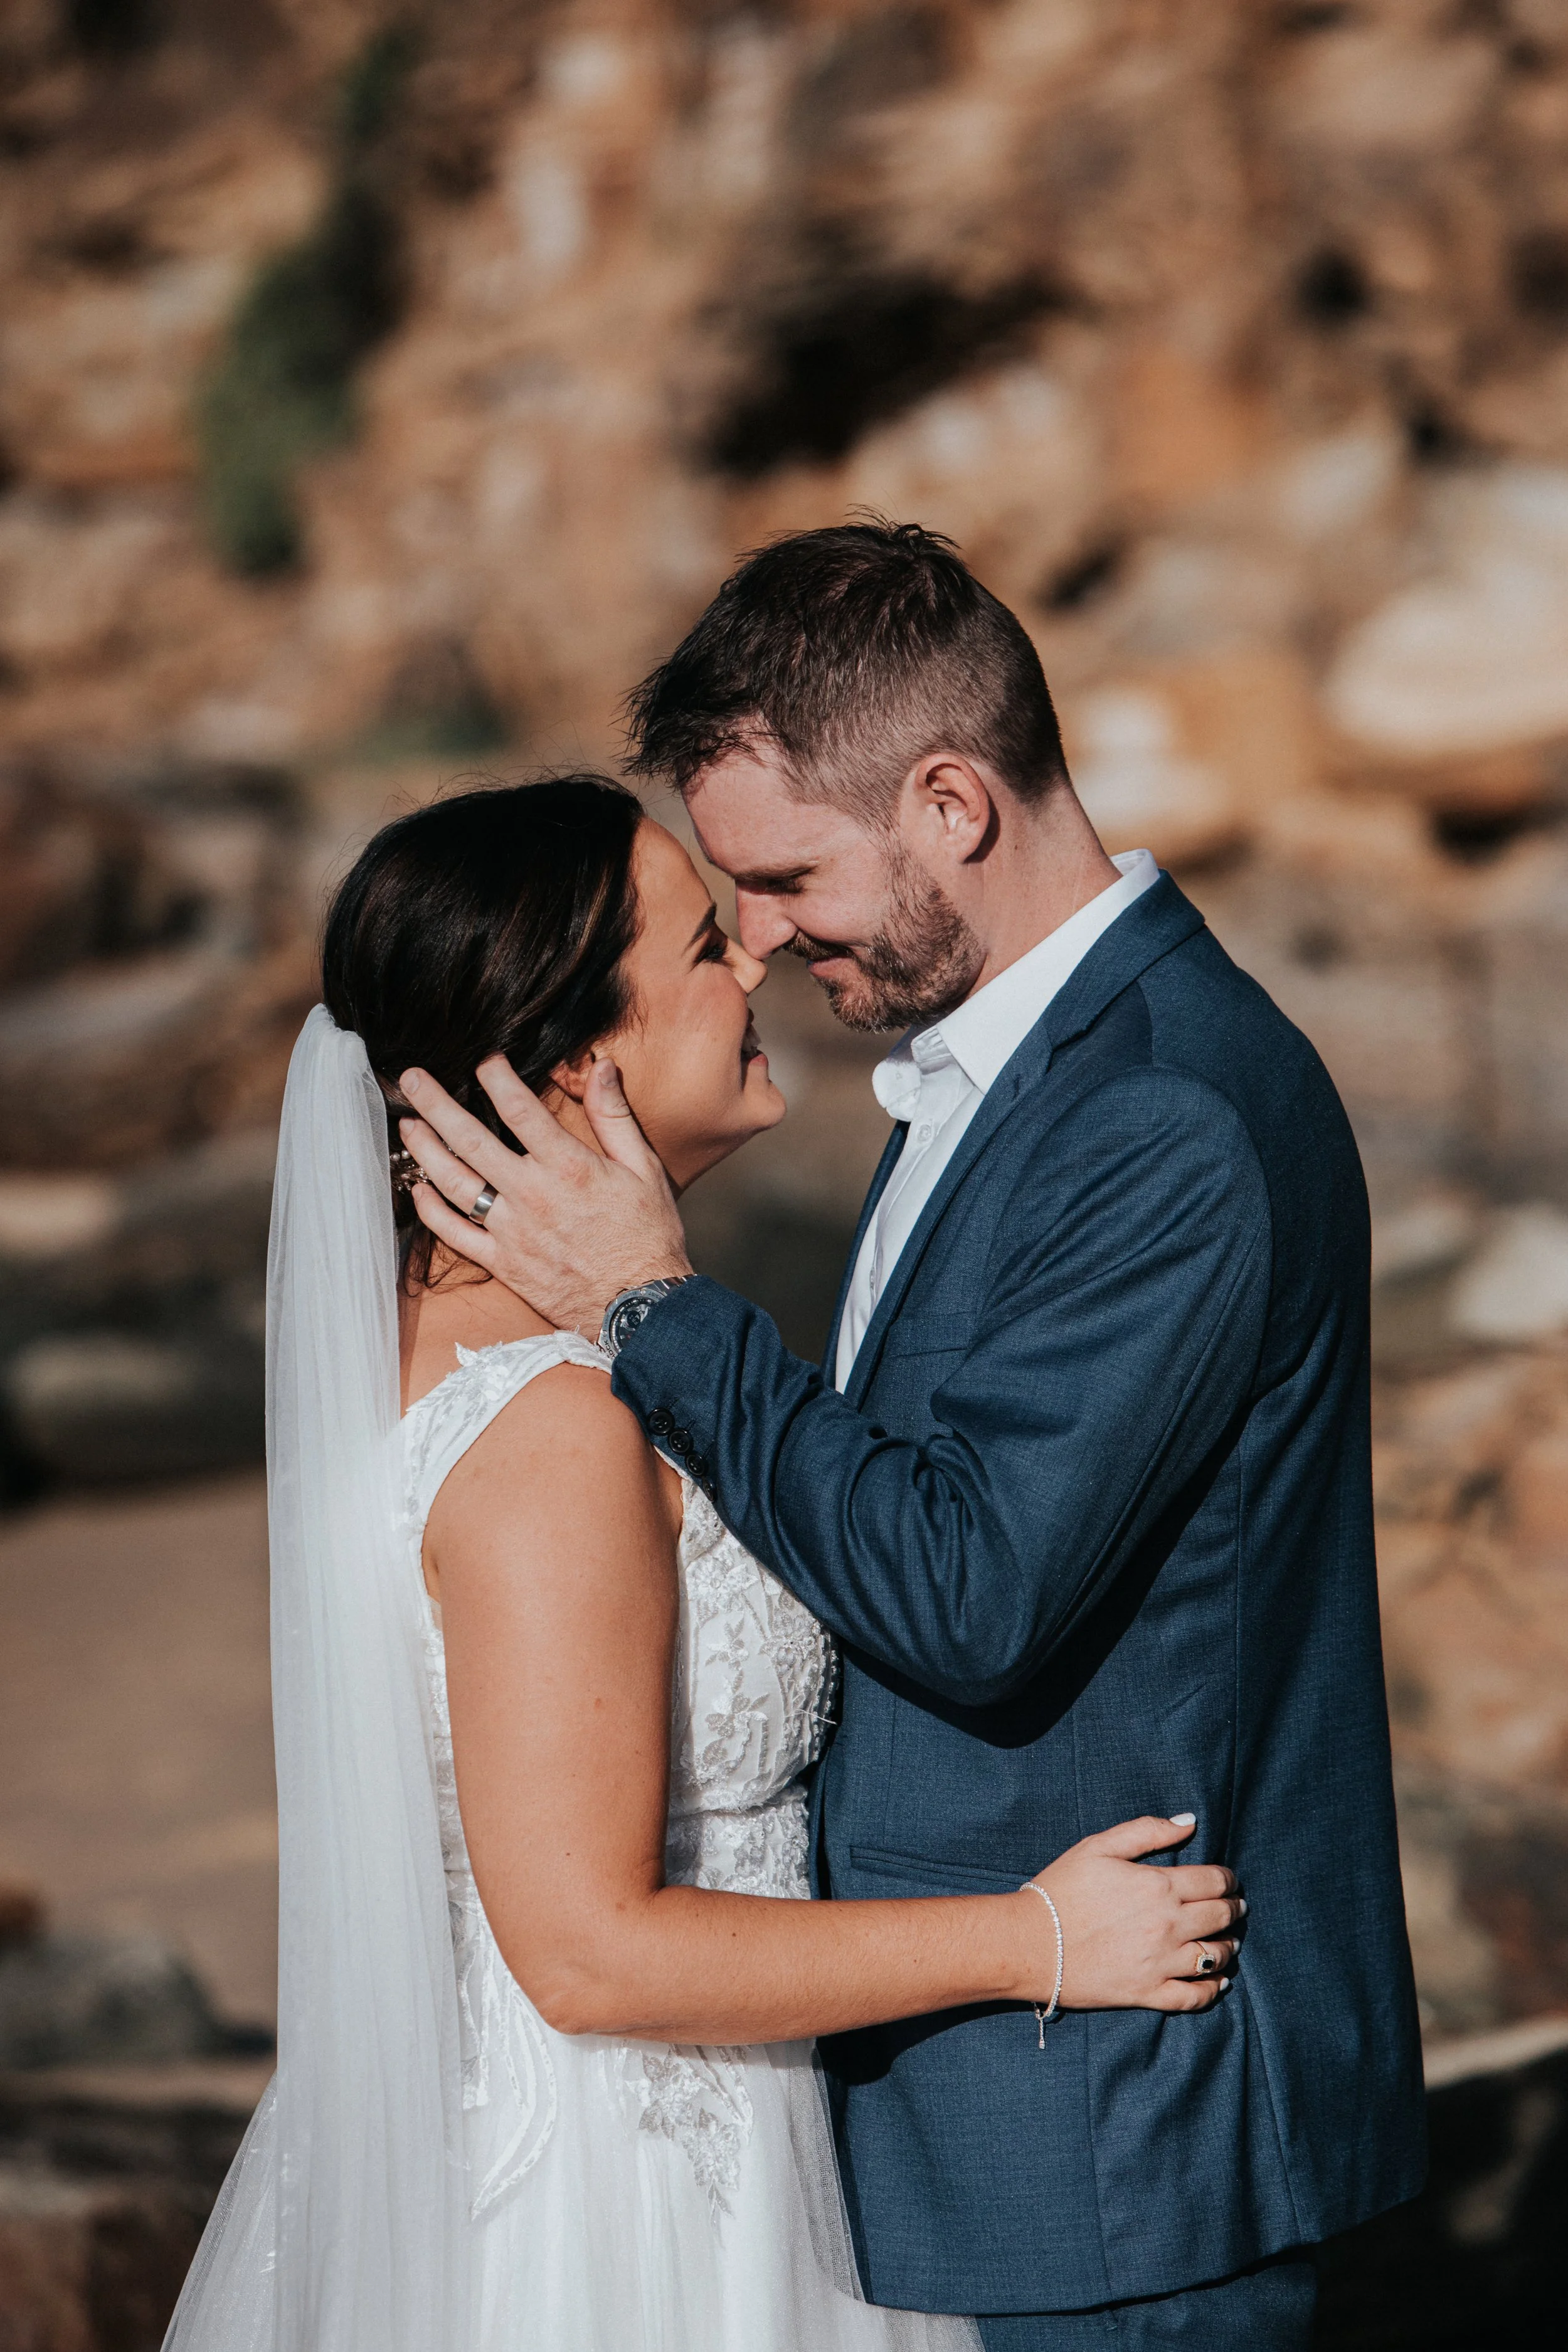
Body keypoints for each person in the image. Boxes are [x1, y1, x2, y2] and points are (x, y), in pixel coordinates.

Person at [398, 524, 1429, 2351]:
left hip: (1124, 2125)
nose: (770, 939)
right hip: (962, 2119)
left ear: (951, 801)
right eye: (728, 907)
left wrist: (652, 1308)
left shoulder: (1161, 1113)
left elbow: (964, 1586)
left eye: (784, 880)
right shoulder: (993, 1070)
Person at [162, 776, 1245, 2352]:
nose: (752, 960)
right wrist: (1042, 1938)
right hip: (632, 2212)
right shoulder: (548, 1431)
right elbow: (593, 1953)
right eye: (697, 946)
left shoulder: (419, 1354)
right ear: (580, 1063)